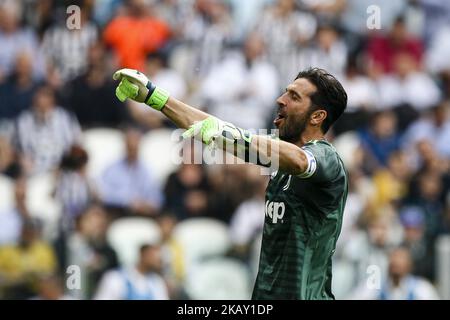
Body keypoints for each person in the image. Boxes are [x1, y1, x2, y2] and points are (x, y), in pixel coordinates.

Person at [112, 66, 348, 300]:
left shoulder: (327, 159)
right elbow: (215, 129)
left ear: (317, 116)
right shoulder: (275, 157)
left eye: (294, 97)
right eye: (285, 92)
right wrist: (155, 97)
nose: (280, 99)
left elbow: (296, 160)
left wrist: (228, 134)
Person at [94, 244, 168, 300]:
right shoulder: (115, 278)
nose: (159, 261)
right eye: (155, 257)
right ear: (143, 255)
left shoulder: (157, 282)